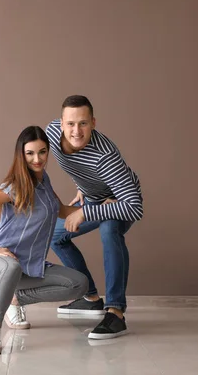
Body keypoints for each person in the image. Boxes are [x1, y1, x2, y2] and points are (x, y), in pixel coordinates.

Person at [0, 125, 89, 354]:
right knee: (11, 266)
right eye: (30, 153)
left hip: (30, 266)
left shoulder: (44, 181)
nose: (37, 159)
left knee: (79, 284)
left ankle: (14, 300)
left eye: (42, 152)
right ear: (21, 155)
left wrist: (95, 206)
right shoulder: (16, 186)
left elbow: (60, 210)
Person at [46, 95, 144, 340]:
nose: (76, 131)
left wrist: (87, 211)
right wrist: (84, 187)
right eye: (70, 124)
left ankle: (116, 312)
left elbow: (134, 207)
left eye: (83, 124)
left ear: (93, 123)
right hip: (92, 197)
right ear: (61, 123)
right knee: (54, 235)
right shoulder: (51, 134)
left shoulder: (106, 156)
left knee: (110, 231)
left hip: (120, 201)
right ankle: (90, 298)